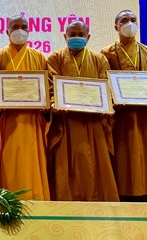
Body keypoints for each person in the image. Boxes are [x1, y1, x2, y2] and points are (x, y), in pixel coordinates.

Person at [47, 21, 118, 201]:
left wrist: (105, 104)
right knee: (66, 168)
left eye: (81, 34)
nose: (77, 38)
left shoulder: (99, 59)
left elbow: (106, 87)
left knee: (93, 167)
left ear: (88, 37)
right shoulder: (55, 58)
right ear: (65, 36)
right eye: (72, 34)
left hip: (92, 123)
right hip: (66, 123)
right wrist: (55, 103)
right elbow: (51, 86)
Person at [100, 10, 147, 202]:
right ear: (116, 27)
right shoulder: (105, 54)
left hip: (145, 120)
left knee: (145, 160)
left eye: (133, 20)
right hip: (120, 121)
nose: (129, 23)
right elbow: (101, 85)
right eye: (124, 20)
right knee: (122, 162)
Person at [0, 15, 50, 200]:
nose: (20, 31)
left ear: (29, 30)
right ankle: (10, 200)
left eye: (23, 27)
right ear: (7, 31)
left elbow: (47, 88)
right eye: (15, 27)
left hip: (32, 121)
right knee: (10, 161)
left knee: (32, 160)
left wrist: (46, 104)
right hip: (8, 121)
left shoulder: (38, 57)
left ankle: (36, 198)